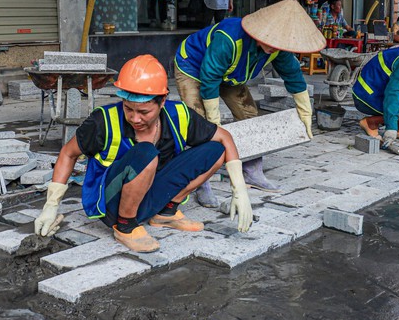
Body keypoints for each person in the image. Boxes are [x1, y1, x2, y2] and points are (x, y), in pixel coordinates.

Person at [32, 55, 254, 253]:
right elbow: (68, 154)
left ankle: (165, 213)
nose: (135, 118)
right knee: (146, 153)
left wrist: (240, 190)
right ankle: (126, 227)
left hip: (149, 193)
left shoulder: (179, 114)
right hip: (111, 202)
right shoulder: (103, 121)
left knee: (216, 150)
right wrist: (51, 207)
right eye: (129, 109)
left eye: (144, 112)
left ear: (163, 101)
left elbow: (225, 137)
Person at [173, 0, 324, 207]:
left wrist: (305, 112)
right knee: (200, 122)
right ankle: (202, 182)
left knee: (249, 115)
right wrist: (213, 122)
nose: (274, 47)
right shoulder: (229, 38)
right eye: (271, 42)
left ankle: (252, 171)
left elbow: (294, 77)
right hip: (193, 67)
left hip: (229, 75)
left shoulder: (276, 48)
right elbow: (209, 78)